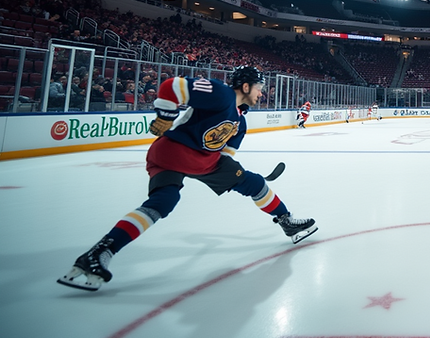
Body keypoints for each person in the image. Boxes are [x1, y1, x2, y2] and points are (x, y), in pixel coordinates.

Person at [57, 66, 318, 292]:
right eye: (259, 87)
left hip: (202, 161)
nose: (262, 93)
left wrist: (238, 175)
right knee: (165, 202)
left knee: (251, 184)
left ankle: (286, 221)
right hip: (173, 152)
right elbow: (172, 86)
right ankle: (100, 252)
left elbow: (225, 156)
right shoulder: (221, 93)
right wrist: (165, 116)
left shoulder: (241, 122)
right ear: (246, 86)